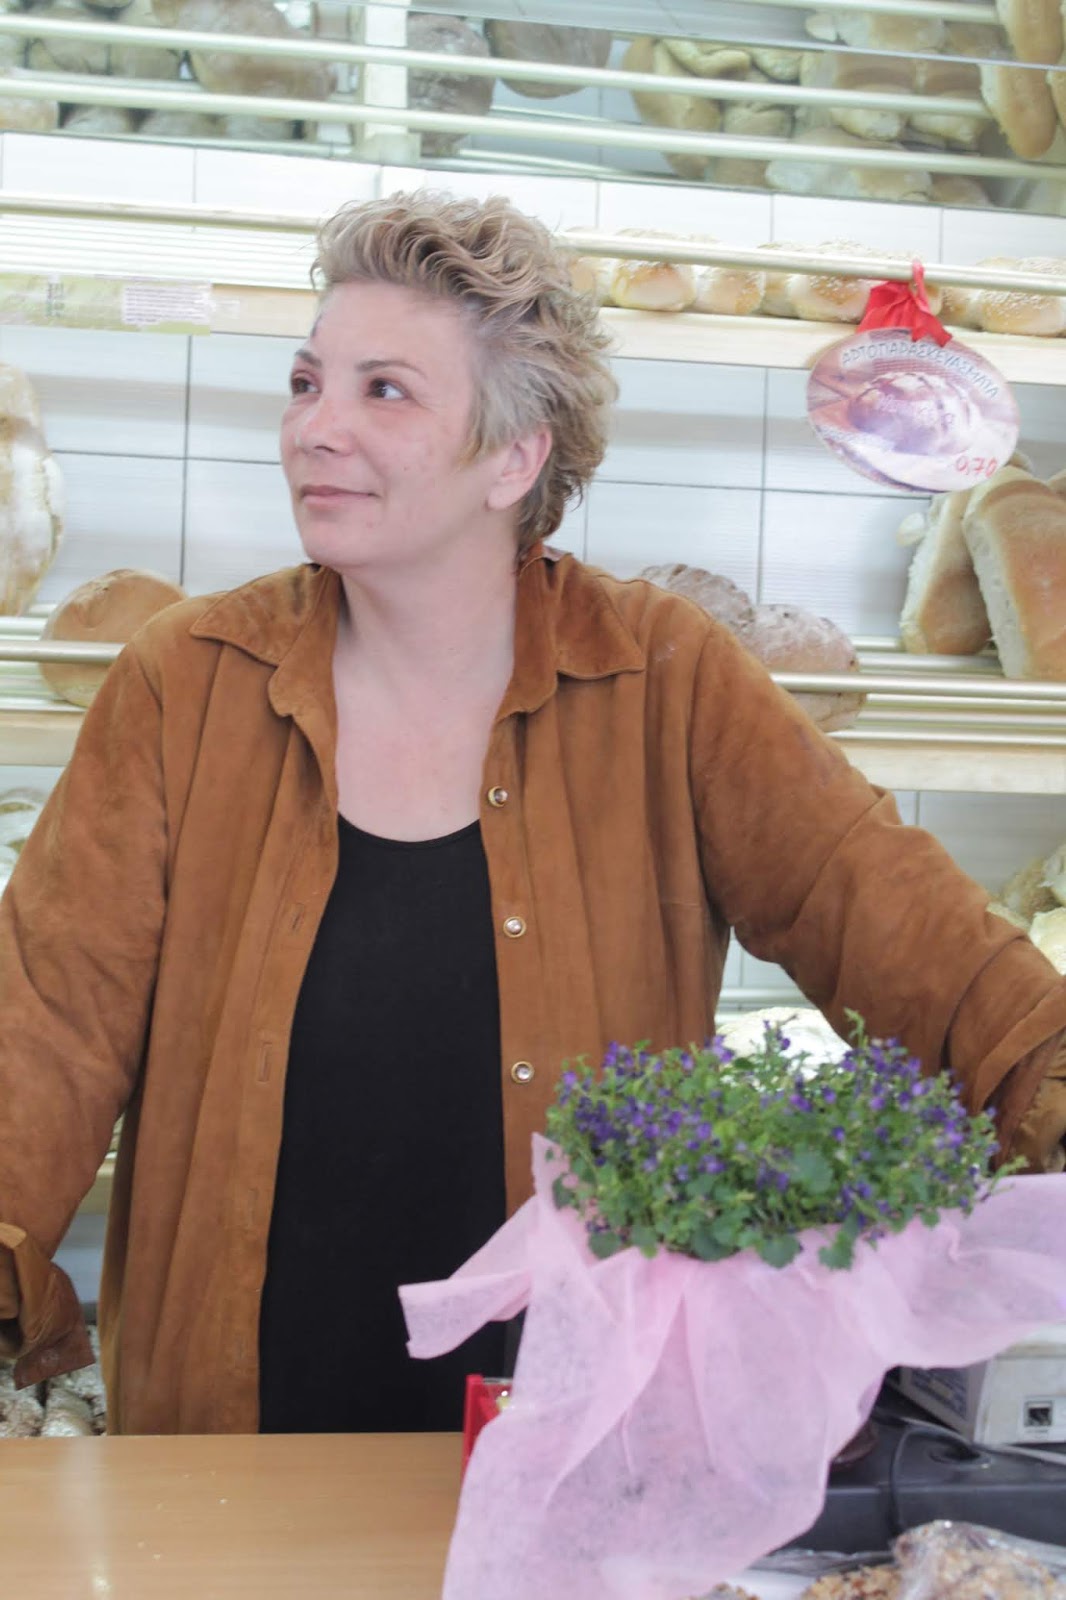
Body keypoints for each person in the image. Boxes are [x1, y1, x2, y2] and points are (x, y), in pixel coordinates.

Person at [0, 191, 1064, 1436]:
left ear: (514, 456)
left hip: (575, 1444)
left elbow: (893, 919)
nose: (314, 428)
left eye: (384, 390)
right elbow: (47, 1022)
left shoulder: (663, 677)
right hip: (234, 1446)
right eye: (305, 381)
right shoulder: (185, 685)